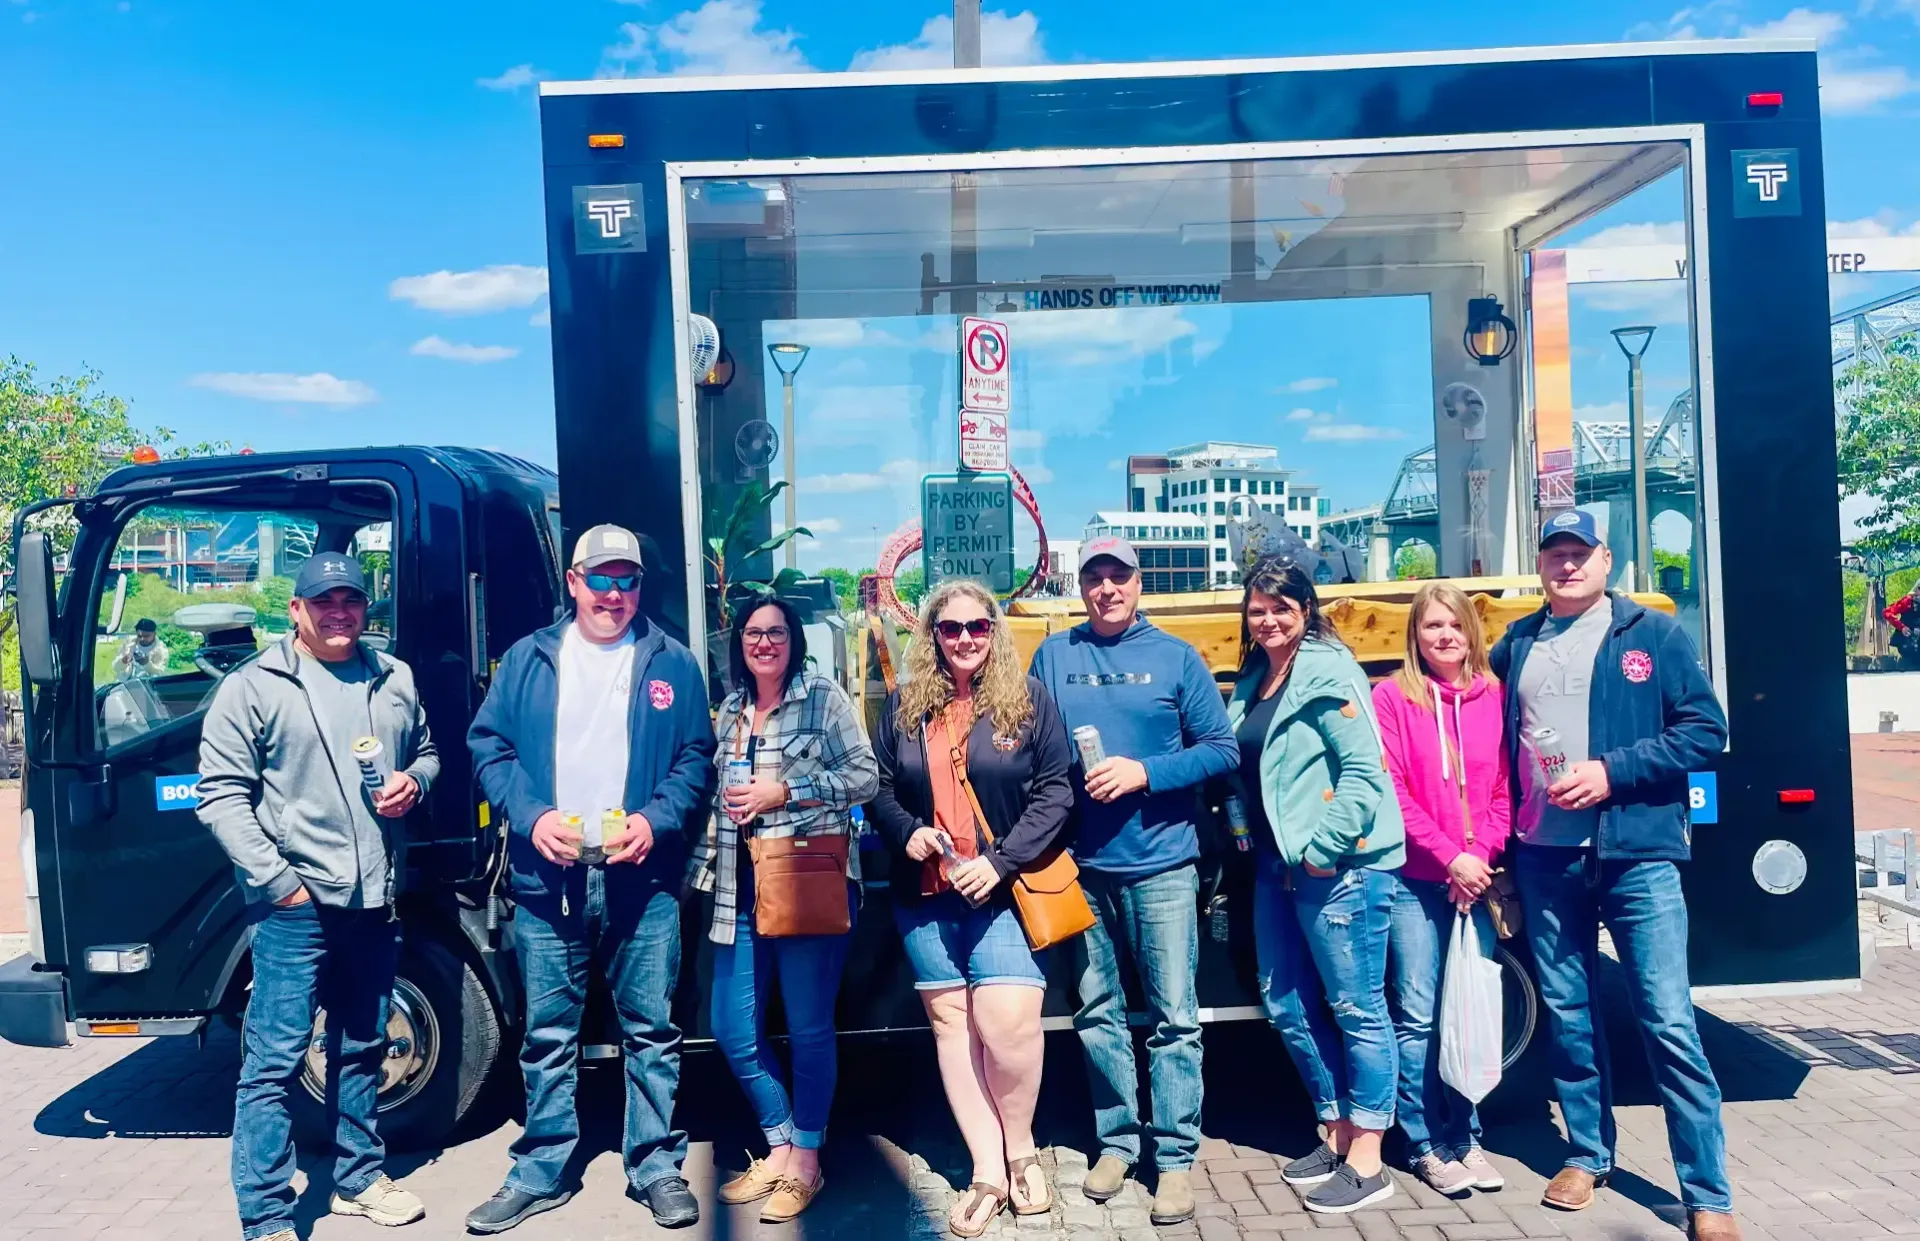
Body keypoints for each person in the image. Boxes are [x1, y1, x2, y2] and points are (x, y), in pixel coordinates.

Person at [464, 525, 716, 1234]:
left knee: (651, 1028)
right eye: (600, 579)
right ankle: (541, 1168)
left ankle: (655, 1164)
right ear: (572, 581)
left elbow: (696, 758)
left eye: (626, 580)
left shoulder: (672, 662)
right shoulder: (529, 659)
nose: (613, 594)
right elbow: (489, 746)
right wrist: (531, 814)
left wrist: (657, 820)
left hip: (642, 878)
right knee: (548, 1033)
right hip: (551, 880)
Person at [1492, 510, 1735, 1240]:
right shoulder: (1518, 643)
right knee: (1568, 1014)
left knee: (1666, 1019)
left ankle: (1708, 1192)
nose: (1566, 565)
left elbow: (1706, 730)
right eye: (1554, 554)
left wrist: (1611, 772)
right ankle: (1588, 1153)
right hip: (1544, 855)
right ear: (1541, 565)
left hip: (1636, 857)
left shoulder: (1650, 635)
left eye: (1579, 553)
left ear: (1606, 559)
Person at [196, 554, 438, 1241]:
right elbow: (220, 797)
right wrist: (281, 885)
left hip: (373, 899)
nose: (339, 612)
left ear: (366, 607)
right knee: (274, 1061)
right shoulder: (254, 685)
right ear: (296, 610)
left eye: (351, 600)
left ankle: (357, 1179)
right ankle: (267, 1214)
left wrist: (415, 783)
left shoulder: (394, 677)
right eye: (323, 601)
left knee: (362, 1043)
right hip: (294, 909)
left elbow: (427, 750)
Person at [1028, 534, 1238, 1225]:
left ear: (1138, 582)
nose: (1108, 588)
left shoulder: (1176, 658)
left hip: (1164, 867)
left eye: (1119, 575)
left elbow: (1220, 749)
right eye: (1095, 577)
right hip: (1081, 869)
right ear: (1080, 585)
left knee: (1175, 1018)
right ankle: (1117, 1142)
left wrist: (1145, 772)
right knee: (1096, 1011)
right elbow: (1027, 742)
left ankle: (1174, 1159)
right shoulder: (1055, 656)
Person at [871, 580, 1073, 1238]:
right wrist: (907, 830)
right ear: (932, 635)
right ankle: (988, 1168)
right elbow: (876, 783)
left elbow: (1056, 791)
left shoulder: (1029, 700)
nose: (964, 639)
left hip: (1002, 890)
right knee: (952, 1025)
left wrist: (1001, 860)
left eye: (977, 627)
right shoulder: (904, 705)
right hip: (925, 896)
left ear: (995, 632)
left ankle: (1021, 1147)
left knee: (1009, 1022)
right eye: (950, 628)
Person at [686, 594, 878, 1224]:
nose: (763, 643)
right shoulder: (732, 709)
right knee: (732, 1028)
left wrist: (785, 790)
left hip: (802, 882)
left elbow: (865, 776)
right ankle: (780, 1142)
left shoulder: (822, 697)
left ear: (793, 639)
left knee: (808, 1027)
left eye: (775, 632)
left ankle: (808, 1161)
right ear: (738, 643)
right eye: (752, 633)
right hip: (737, 884)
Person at [1225, 557, 1405, 1215]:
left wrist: (1325, 849)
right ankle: (1335, 1127)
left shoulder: (1328, 669)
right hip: (1278, 867)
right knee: (1287, 1000)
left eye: (1281, 606)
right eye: (1257, 608)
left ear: (1307, 608)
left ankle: (1369, 1157)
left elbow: (1363, 770)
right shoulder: (1258, 674)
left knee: (1357, 1007)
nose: (1268, 618)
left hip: (1337, 869)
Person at [1372, 582, 1511, 1197]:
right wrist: (1449, 856)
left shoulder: (1495, 698)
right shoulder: (1392, 698)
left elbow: (1509, 789)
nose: (1444, 637)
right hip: (1415, 882)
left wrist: (1479, 857)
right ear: (1415, 635)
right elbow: (1393, 791)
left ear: (1471, 633)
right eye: (1432, 627)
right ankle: (1425, 1141)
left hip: (1475, 881)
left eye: (1454, 626)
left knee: (1471, 1013)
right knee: (1418, 1016)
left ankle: (1468, 1134)